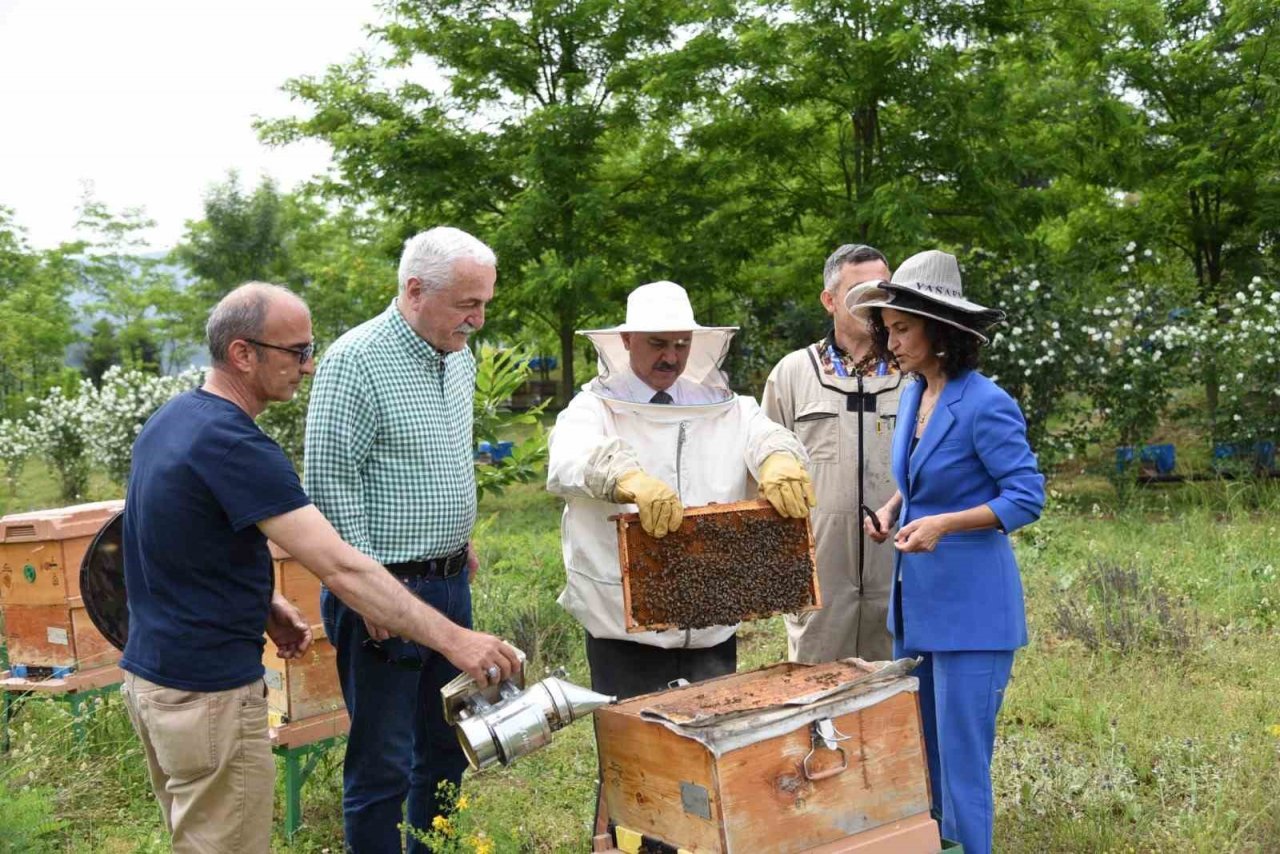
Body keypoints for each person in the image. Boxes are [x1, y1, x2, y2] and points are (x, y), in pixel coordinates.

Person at [120, 282, 519, 854]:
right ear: (242, 353)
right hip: (207, 696)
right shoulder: (239, 447)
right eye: (297, 353)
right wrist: (458, 641)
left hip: (154, 681)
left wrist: (262, 602)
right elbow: (343, 569)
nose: (308, 368)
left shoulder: (175, 419)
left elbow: (165, 538)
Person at [304, 227, 506, 853]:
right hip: (383, 594)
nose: (477, 319)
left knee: (448, 743)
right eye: (466, 304)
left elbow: (443, 453)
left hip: (447, 582)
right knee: (384, 762)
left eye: (484, 304)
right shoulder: (354, 359)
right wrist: (370, 593)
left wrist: (458, 533)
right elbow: (330, 484)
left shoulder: (458, 356)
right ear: (415, 291)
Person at [850, 251, 1044, 854]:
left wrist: (945, 526)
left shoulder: (985, 402)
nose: (890, 338)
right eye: (887, 327)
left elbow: (1026, 497)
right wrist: (893, 509)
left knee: (962, 767)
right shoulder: (914, 394)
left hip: (972, 616)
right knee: (924, 757)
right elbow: (919, 482)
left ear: (940, 331)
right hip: (917, 612)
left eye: (902, 328)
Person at [546, 280, 816, 701]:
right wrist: (626, 479)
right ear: (626, 340)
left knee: (710, 747)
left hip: (712, 626)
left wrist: (778, 459)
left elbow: (766, 434)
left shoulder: (728, 407)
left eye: (681, 344)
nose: (670, 357)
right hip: (624, 636)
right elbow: (571, 456)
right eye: (657, 343)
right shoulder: (594, 408)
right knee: (636, 756)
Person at [762, 243, 903, 664]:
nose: (871, 302)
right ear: (829, 300)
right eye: (857, 291)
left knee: (894, 697)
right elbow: (761, 467)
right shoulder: (792, 374)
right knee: (815, 701)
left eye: (882, 289)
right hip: (819, 572)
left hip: (901, 564)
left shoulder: (914, 372)